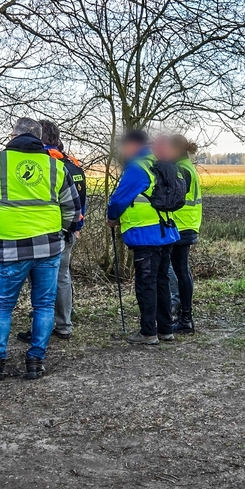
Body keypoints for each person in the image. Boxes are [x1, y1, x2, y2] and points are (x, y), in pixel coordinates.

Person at [0, 117, 81, 381]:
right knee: (44, 305)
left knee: (2, 306)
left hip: (11, 248)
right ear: (40, 138)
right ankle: (35, 361)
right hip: (49, 248)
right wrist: (63, 229)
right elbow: (73, 210)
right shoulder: (55, 166)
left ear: (13, 135)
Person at [106, 129, 180, 345]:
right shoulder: (158, 163)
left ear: (132, 146)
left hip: (144, 235)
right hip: (165, 231)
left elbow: (119, 200)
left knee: (146, 284)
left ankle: (148, 332)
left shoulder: (137, 167)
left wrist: (111, 217)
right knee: (162, 282)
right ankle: (166, 329)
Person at [16, 120, 85, 343]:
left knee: (41, 280)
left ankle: (40, 327)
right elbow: (78, 202)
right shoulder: (71, 162)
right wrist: (76, 228)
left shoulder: (42, 162)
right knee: (63, 277)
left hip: (46, 231)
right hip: (70, 230)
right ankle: (64, 324)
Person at [169, 134, 201, 333]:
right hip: (187, 224)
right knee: (182, 270)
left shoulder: (181, 170)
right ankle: (184, 314)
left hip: (180, 225)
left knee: (180, 271)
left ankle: (185, 317)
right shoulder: (188, 167)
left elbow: (174, 198)